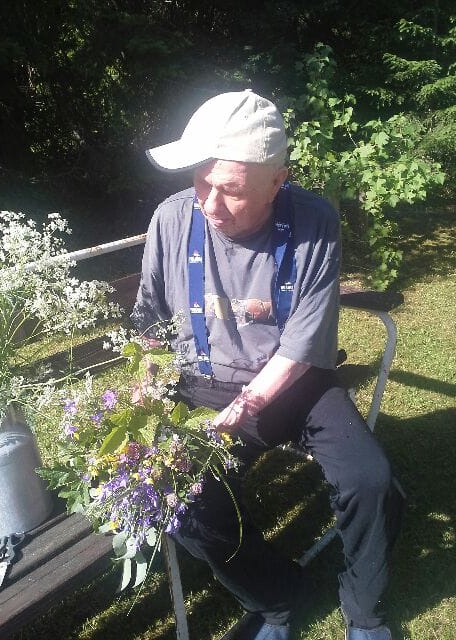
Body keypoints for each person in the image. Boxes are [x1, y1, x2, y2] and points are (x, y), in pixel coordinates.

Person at [132, 90, 404, 640]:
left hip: (297, 381)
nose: (210, 204)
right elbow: (150, 320)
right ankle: (278, 597)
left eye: (231, 191)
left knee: (372, 481)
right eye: (201, 181)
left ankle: (364, 609)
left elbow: (303, 344)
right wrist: (147, 383)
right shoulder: (172, 218)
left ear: (278, 180)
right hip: (200, 384)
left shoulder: (314, 222)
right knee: (179, 504)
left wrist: (244, 407)